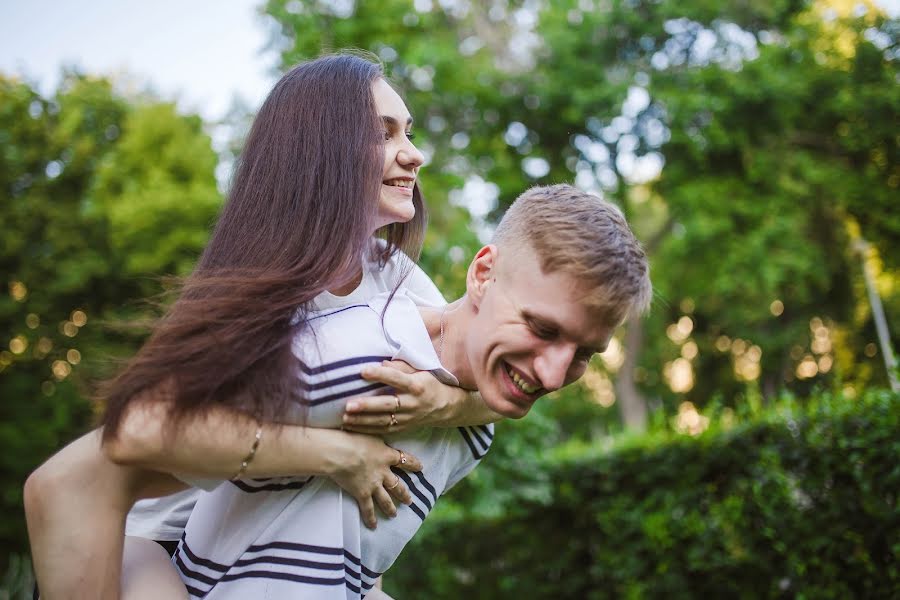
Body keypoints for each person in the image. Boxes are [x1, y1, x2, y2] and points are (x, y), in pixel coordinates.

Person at [24, 53, 496, 600]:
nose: (414, 155)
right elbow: (140, 426)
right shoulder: (258, 285)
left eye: (407, 133)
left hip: (273, 536)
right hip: (154, 542)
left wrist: (445, 404)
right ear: (320, 150)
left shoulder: (392, 276)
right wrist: (340, 455)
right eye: (383, 134)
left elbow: (486, 381)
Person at [167, 184, 652, 598]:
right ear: (482, 275)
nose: (553, 375)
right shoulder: (366, 361)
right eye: (542, 328)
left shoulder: (474, 433)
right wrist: (336, 454)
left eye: (585, 353)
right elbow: (162, 436)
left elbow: (348, 565)